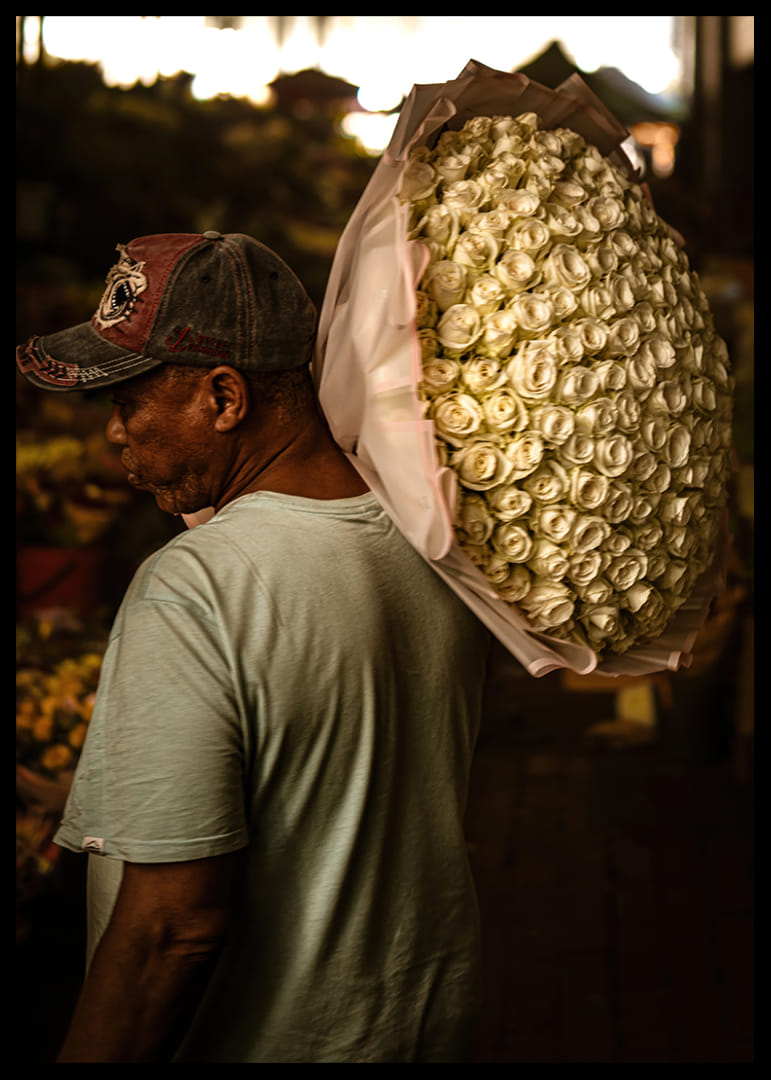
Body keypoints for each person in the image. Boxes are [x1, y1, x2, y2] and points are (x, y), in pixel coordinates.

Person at [16, 231, 491, 1063]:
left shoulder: (196, 586)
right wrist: (92, 789)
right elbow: (338, 766)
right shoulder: (422, 538)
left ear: (225, 397)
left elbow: (173, 929)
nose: (114, 437)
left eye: (127, 403)